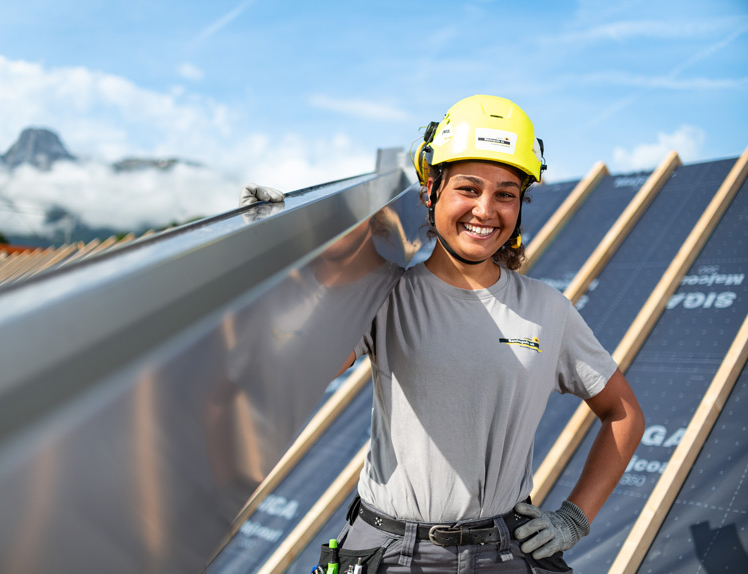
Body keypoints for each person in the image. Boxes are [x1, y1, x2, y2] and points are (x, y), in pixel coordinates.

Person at [243, 94, 645, 573]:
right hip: (392, 553)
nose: (485, 210)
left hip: (503, 552)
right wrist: (279, 253)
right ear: (431, 191)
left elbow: (623, 413)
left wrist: (574, 519)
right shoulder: (384, 294)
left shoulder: (546, 309)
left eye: (506, 194)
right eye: (468, 189)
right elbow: (300, 363)